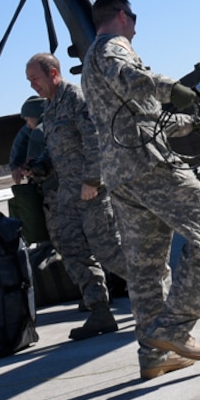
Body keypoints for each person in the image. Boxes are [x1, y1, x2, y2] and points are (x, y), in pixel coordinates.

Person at [81, 0, 200, 381]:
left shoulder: (93, 61)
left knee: (145, 268)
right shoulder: (113, 49)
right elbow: (134, 82)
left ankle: (153, 354)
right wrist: (174, 88)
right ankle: (173, 330)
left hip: (123, 174)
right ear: (123, 16)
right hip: (150, 166)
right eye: (134, 17)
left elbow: (138, 117)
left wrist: (185, 123)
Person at [24, 54, 127, 341]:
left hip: (91, 191)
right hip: (68, 195)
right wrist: (39, 164)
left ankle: (159, 290)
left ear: (53, 73)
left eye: (36, 79)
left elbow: (96, 140)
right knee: (72, 251)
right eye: (30, 81)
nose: (33, 86)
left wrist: (92, 180)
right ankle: (99, 311)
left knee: (110, 252)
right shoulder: (52, 107)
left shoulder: (76, 98)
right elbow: (57, 146)